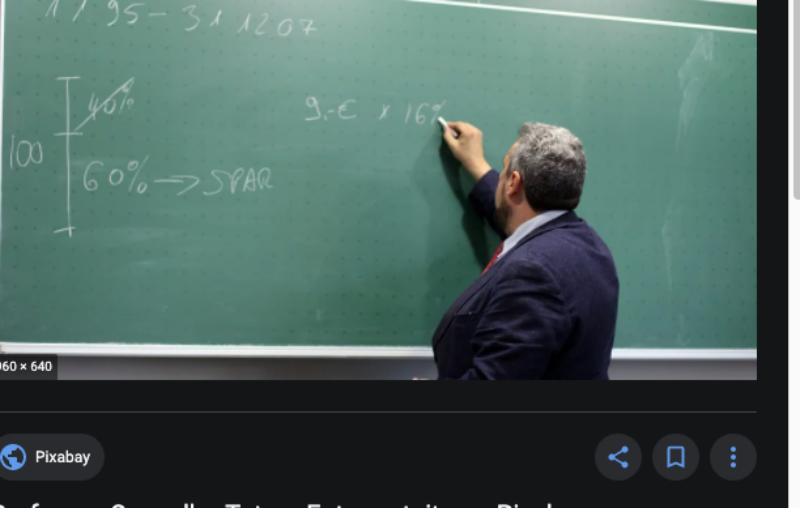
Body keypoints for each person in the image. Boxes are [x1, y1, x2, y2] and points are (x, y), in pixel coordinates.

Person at [432, 121, 619, 380]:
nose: (501, 175)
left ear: (514, 182)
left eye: (505, 168)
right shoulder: (587, 245)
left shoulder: (532, 271)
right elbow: (511, 217)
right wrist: (476, 164)